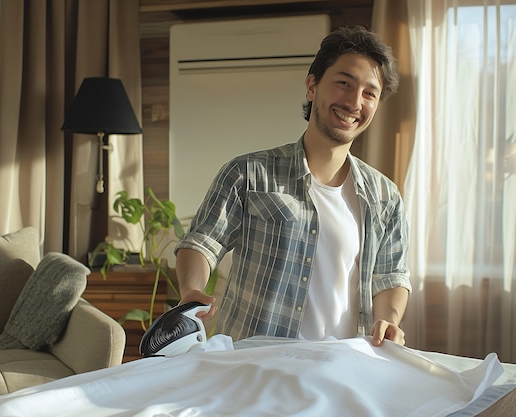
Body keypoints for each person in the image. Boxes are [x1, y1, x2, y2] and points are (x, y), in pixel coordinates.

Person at [174, 25, 411, 347]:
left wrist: (389, 321)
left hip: (341, 368)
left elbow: (390, 276)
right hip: (253, 365)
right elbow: (202, 243)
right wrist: (191, 291)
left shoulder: (385, 196)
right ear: (312, 86)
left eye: (370, 93)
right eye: (344, 83)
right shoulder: (248, 173)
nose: (355, 101)